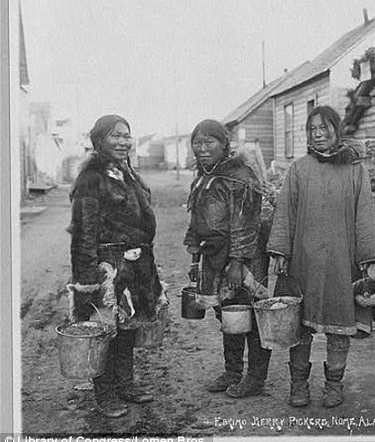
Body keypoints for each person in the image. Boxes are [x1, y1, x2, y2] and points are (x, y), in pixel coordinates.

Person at [267, 105, 375, 409]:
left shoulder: (355, 169)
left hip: (342, 261)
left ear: (336, 130)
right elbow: (285, 213)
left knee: (339, 322)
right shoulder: (299, 169)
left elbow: (365, 216)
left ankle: (333, 385)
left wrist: (368, 256)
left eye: (324, 128)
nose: (318, 135)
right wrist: (280, 250)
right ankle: (299, 385)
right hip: (303, 260)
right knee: (299, 325)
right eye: (312, 130)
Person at [67, 114, 166, 418]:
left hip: (134, 266)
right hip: (107, 268)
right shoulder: (91, 179)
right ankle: (105, 393)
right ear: (99, 140)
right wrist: (88, 279)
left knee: (128, 327)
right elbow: (84, 233)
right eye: (116, 135)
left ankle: (125, 383)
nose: (124, 141)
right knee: (104, 329)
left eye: (127, 135)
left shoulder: (127, 173)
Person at [184, 119, 271, 398]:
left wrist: (237, 262)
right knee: (228, 315)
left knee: (250, 316)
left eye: (209, 141)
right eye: (197, 142)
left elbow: (245, 221)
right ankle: (232, 371)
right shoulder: (203, 177)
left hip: (243, 259)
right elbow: (196, 221)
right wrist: (195, 260)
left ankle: (255, 379)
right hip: (214, 257)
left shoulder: (240, 176)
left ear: (224, 144)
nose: (202, 147)